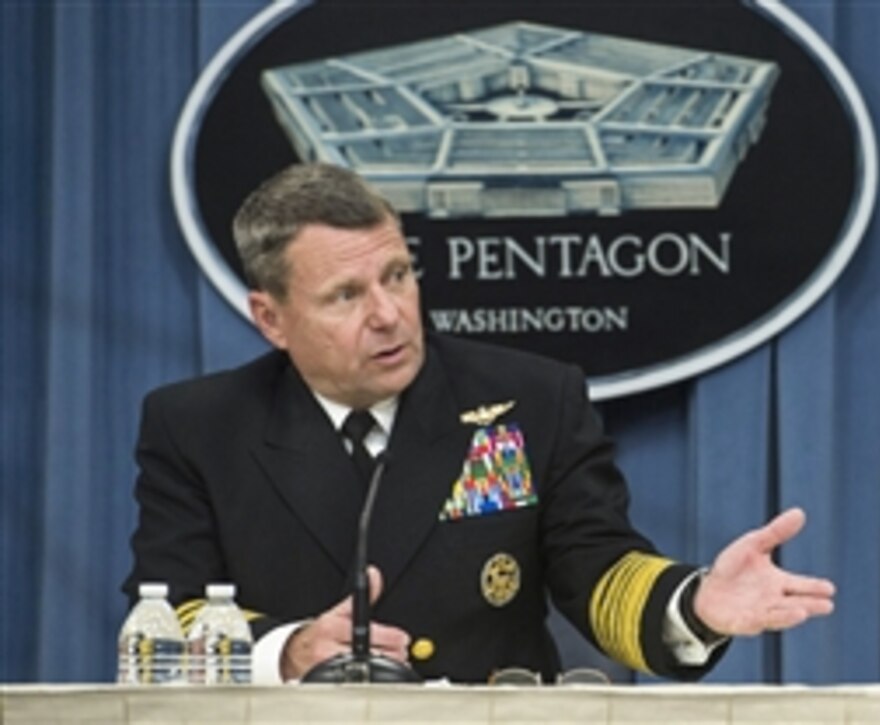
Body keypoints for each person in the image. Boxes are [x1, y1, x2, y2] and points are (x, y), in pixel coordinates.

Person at [124, 162, 835, 684]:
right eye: (346, 294)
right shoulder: (199, 427)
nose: (388, 313)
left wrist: (698, 602)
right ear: (270, 318)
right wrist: (290, 649)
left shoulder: (528, 398)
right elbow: (168, 616)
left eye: (398, 275)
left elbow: (599, 572)